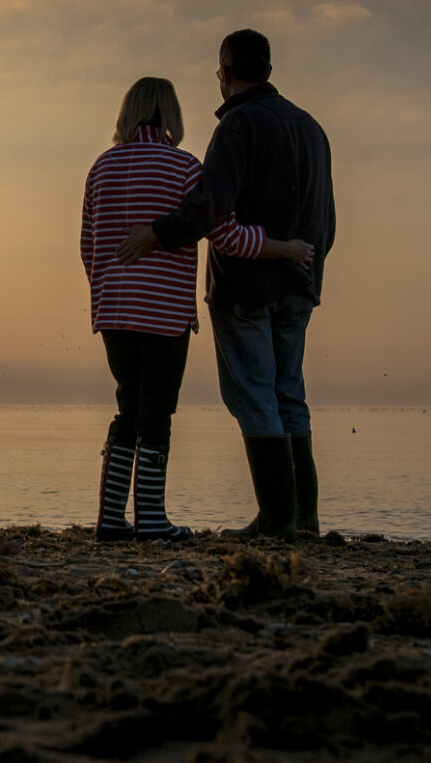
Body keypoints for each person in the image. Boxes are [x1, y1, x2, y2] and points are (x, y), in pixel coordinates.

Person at [117, 30, 335, 541]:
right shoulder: (311, 128)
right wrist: (310, 267)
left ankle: (278, 520)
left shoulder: (237, 125)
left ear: (226, 72)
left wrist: (157, 233)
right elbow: (326, 217)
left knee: (254, 395)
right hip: (299, 282)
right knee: (290, 395)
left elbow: (211, 208)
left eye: (218, 73)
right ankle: (303, 518)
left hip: (245, 288)